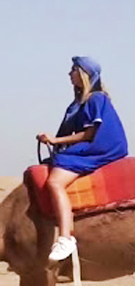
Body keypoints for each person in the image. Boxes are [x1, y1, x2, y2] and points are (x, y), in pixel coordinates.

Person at [34, 56, 129, 262]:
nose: (69, 74)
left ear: (84, 75)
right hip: (89, 145)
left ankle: (66, 238)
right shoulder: (78, 104)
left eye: (73, 70)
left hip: (99, 148)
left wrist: (55, 139)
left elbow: (89, 134)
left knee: (55, 182)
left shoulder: (96, 99)